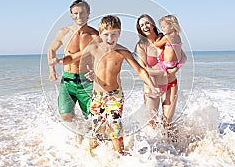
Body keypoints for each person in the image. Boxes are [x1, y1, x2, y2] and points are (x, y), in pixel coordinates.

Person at [50, 15, 159, 155]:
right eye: (106, 34)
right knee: (97, 129)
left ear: (119, 33)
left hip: (115, 96)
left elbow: (140, 70)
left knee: (115, 127)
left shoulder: (122, 52)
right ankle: (93, 158)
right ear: (100, 34)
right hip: (97, 96)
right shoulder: (94, 48)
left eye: (114, 34)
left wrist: (151, 85)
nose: (110, 38)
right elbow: (74, 57)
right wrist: (59, 61)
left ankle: (119, 157)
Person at [47, 0, 98, 122]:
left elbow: (101, 57)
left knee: (91, 116)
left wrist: (95, 72)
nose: (79, 16)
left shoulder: (94, 35)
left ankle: (86, 134)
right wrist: (52, 71)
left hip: (86, 80)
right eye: (75, 13)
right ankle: (78, 134)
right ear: (71, 15)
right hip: (68, 79)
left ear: (88, 13)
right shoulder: (63, 32)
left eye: (82, 13)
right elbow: (51, 49)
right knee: (65, 115)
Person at [135, 14, 186, 129]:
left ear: (153, 24)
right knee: (151, 123)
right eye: (142, 25)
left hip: (170, 84)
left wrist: (176, 68)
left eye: (147, 23)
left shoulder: (167, 37)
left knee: (167, 123)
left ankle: (173, 146)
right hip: (152, 86)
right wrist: (160, 74)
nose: (145, 26)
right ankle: (154, 146)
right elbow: (142, 68)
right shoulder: (141, 45)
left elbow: (183, 56)